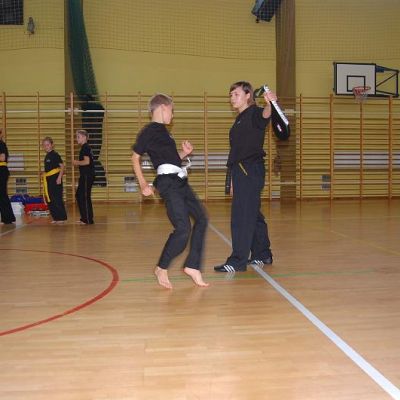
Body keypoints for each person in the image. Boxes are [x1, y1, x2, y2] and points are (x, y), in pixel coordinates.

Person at [131, 93, 209, 289]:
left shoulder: (166, 133)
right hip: (167, 183)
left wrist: (184, 153)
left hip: (179, 180)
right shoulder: (148, 131)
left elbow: (171, 159)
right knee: (183, 229)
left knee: (202, 218)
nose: (172, 115)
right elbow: (135, 157)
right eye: (172, 111)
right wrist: (143, 184)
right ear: (163, 107)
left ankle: (192, 266)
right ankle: (161, 267)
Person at [214, 81, 275, 272]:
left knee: (242, 215)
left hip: (250, 169)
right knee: (253, 213)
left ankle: (237, 261)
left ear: (248, 95)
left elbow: (265, 116)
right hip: (241, 170)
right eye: (230, 95)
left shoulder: (254, 112)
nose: (232, 98)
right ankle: (262, 253)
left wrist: (270, 104)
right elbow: (237, 152)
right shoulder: (240, 119)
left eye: (236, 94)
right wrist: (232, 178)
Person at [42, 137, 67, 224]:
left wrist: (59, 177)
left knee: (57, 198)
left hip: (55, 179)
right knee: (51, 198)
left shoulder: (55, 154)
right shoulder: (47, 156)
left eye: (48, 145)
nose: (46, 146)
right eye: (44, 145)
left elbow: (62, 166)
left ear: (52, 145)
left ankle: (61, 217)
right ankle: (56, 217)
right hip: (49, 179)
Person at [73, 129, 95, 224]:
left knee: (85, 196)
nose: (76, 139)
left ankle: (88, 219)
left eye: (78, 137)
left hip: (87, 175)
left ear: (84, 137)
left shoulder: (85, 147)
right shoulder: (84, 148)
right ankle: (84, 218)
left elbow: (87, 162)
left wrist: (76, 162)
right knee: (79, 195)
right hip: (84, 175)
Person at [0, 128, 16, 225]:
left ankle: (8, 218)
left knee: (2, 195)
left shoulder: (1, 144)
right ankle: (6, 218)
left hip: (1, 171)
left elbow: (2, 158)